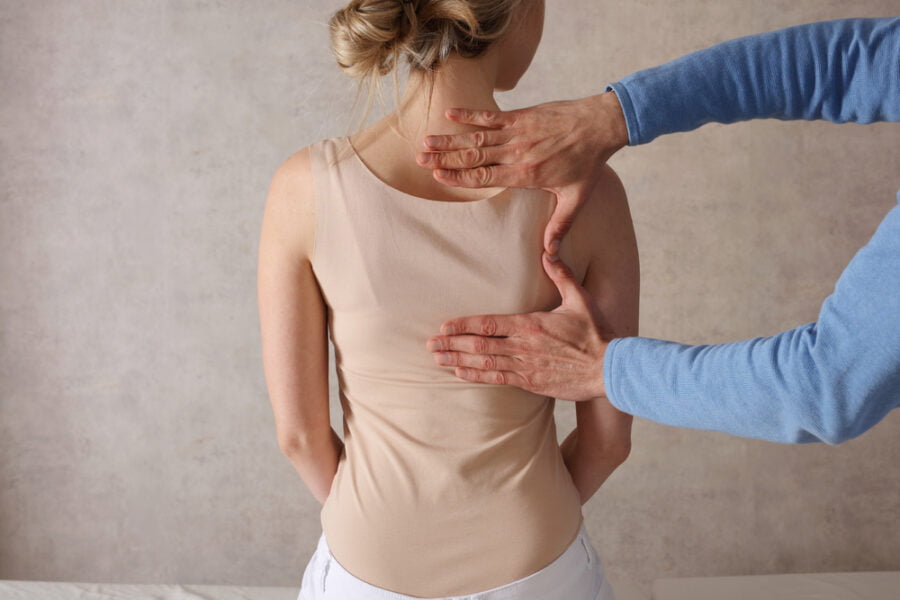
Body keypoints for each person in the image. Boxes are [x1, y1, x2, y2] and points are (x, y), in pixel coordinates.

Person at [256, 1, 638, 599]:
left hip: (369, 563)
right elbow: (608, 441)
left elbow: (299, 437)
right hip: (537, 567)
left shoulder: (303, 187)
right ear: (518, 12)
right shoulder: (589, 191)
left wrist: (380, 519)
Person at [420, 16, 900, 445]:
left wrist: (604, 369)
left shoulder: (598, 198)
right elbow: (853, 65)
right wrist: (615, 114)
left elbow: (823, 388)